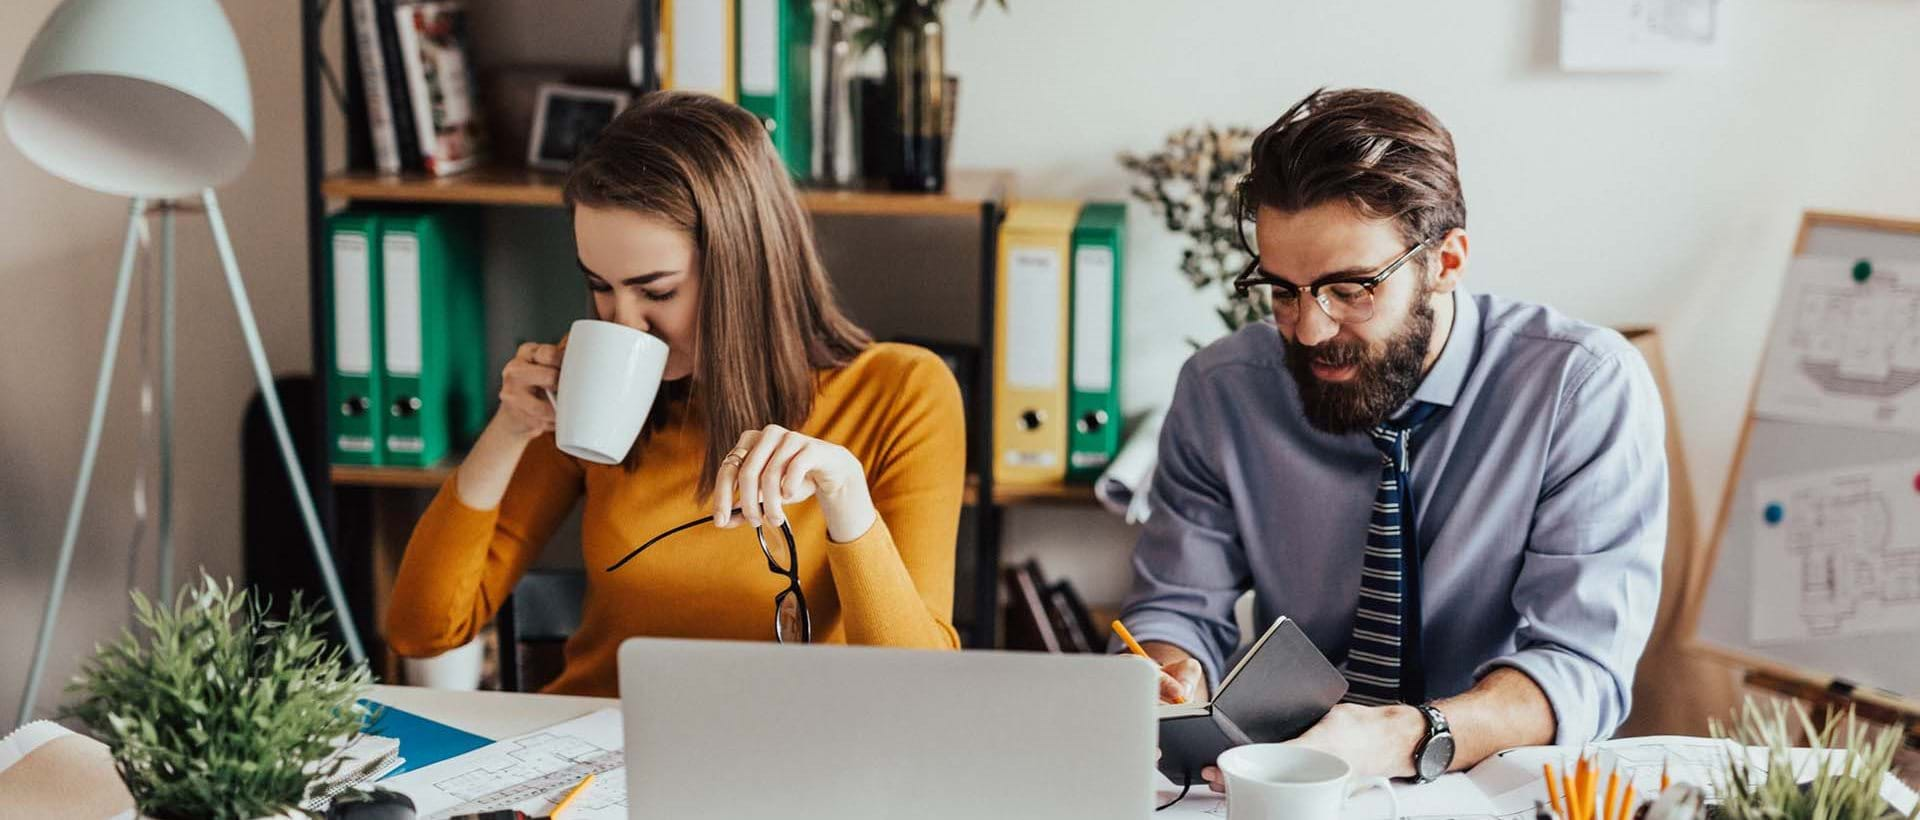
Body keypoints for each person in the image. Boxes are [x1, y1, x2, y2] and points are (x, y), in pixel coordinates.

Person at [1116, 88, 1667, 785]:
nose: (1310, 329)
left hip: (1493, 780)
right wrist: (1169, 673)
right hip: (1287, 782)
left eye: (1350, 289)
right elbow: (1176, 607)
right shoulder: (1222, 390)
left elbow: (1583, 665)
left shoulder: (1582, 388)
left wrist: (1404, 736)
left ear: (1447, 262)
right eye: (1284, 291)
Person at [386, 92, 966, 696]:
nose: (622, 324)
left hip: (792, 763)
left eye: (657, 292)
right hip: (600, 756)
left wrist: (845, 493)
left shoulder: (901, 391)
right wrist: (508, 429)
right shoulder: (595, 380)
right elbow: (423, 630)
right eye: (600, 286)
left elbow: (918, 691)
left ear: (744, 269)